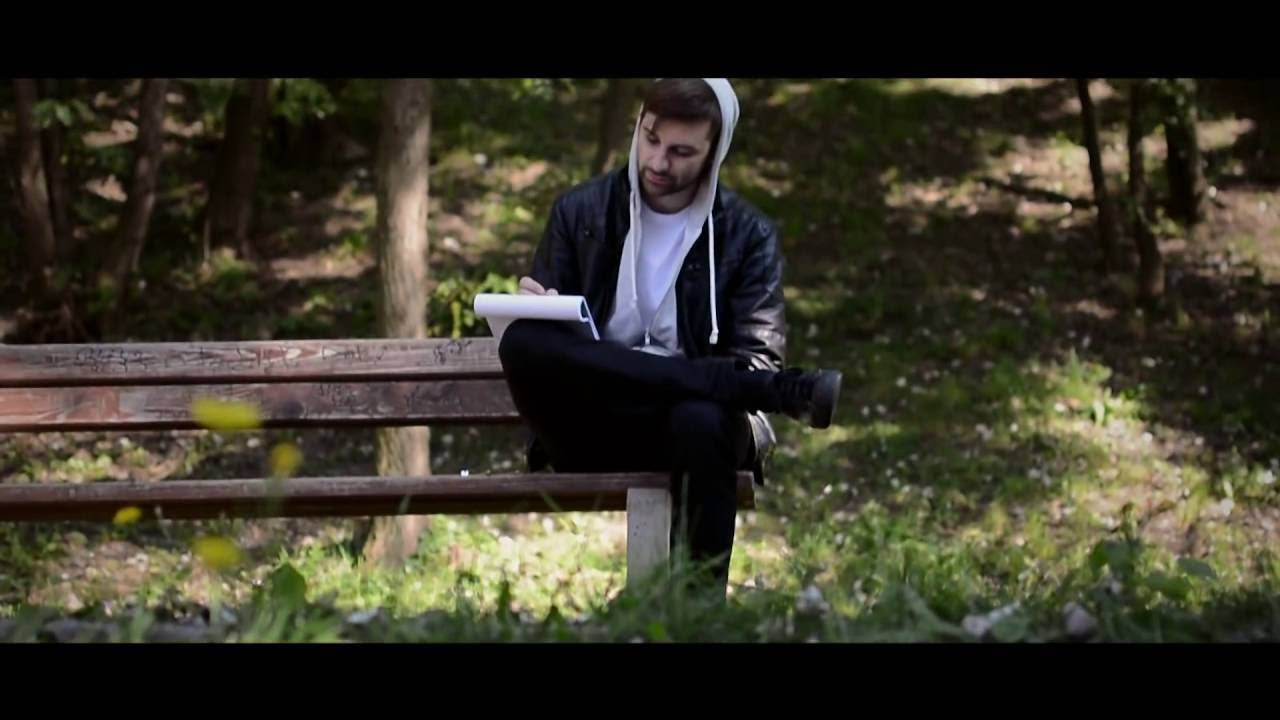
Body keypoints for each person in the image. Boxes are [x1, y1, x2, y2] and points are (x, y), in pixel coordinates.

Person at [497, 78, 841, 594]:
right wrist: (541, 310)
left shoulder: (747, 235)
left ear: (714, 153)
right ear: (638, 125)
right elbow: (553, 355)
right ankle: (752, 387)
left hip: (692, 431)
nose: (658, 162)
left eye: (681, 152)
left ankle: (696, 613)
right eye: (651, 138)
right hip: (591, 424)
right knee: (522, 341)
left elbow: (756, 357)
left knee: (701, 416)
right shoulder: (579, 212)